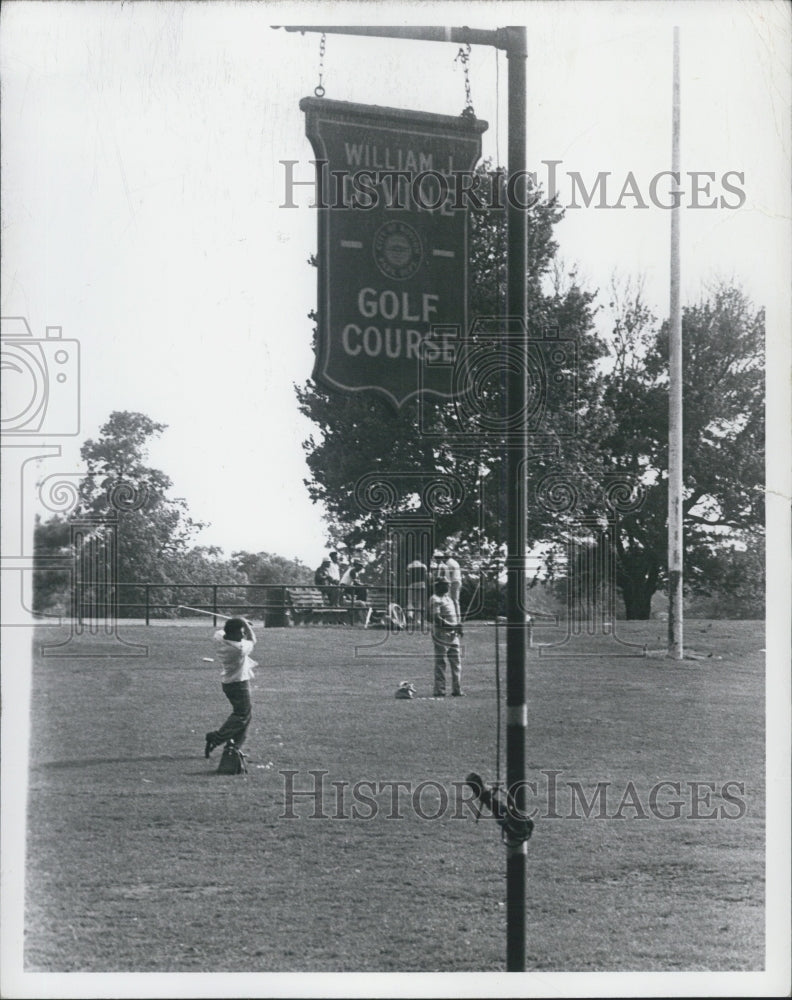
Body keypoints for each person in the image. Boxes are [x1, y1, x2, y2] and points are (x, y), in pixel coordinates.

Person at [204, 617, 257, 758]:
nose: (243, 635)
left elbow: (224, 630)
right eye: (240, 633)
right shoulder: (238, 649)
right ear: (233, 634)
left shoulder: (219, 637)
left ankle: (234, 748)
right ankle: (216, 738)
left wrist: (241, 623)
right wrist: (245, 624)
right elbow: (253, 640)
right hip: (238, 684)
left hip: (229, 683)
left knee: (245, 716)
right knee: (241, 716)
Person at [428, 579, 464, 697]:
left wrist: (458, 628)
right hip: (441, 635)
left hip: (453, 635)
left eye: (448, 585)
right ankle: (439, 690)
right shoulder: (435, 599)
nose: (448, 587)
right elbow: (437, 619)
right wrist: (453, 626)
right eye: (445, 585)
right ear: (438, 586)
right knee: (441, 662)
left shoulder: (449, 599)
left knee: (456, 662)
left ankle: (457, 689)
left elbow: (453, 616)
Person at [406, 557, 428, 627]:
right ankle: (418, 620)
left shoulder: (409, 566)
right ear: (420, 559)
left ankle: (410, 614)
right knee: (419, 602)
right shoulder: (424, 566)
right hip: (422, 584)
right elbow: (425, 575)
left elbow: (407, 575)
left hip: (412, 584)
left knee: (410, 601)